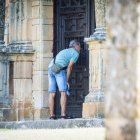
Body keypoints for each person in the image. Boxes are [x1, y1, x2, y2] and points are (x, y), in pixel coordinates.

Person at [48, 40, 81, 119]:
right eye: (79, 46)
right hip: (59, 70)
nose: (80, 48)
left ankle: (52, 115)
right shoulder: (75, 53)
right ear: (76, 46)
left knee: (52, 93)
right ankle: (63, 115)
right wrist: (66, 80)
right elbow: (70, 66)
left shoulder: (64, 50)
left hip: (50, 68)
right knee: (63, 92)